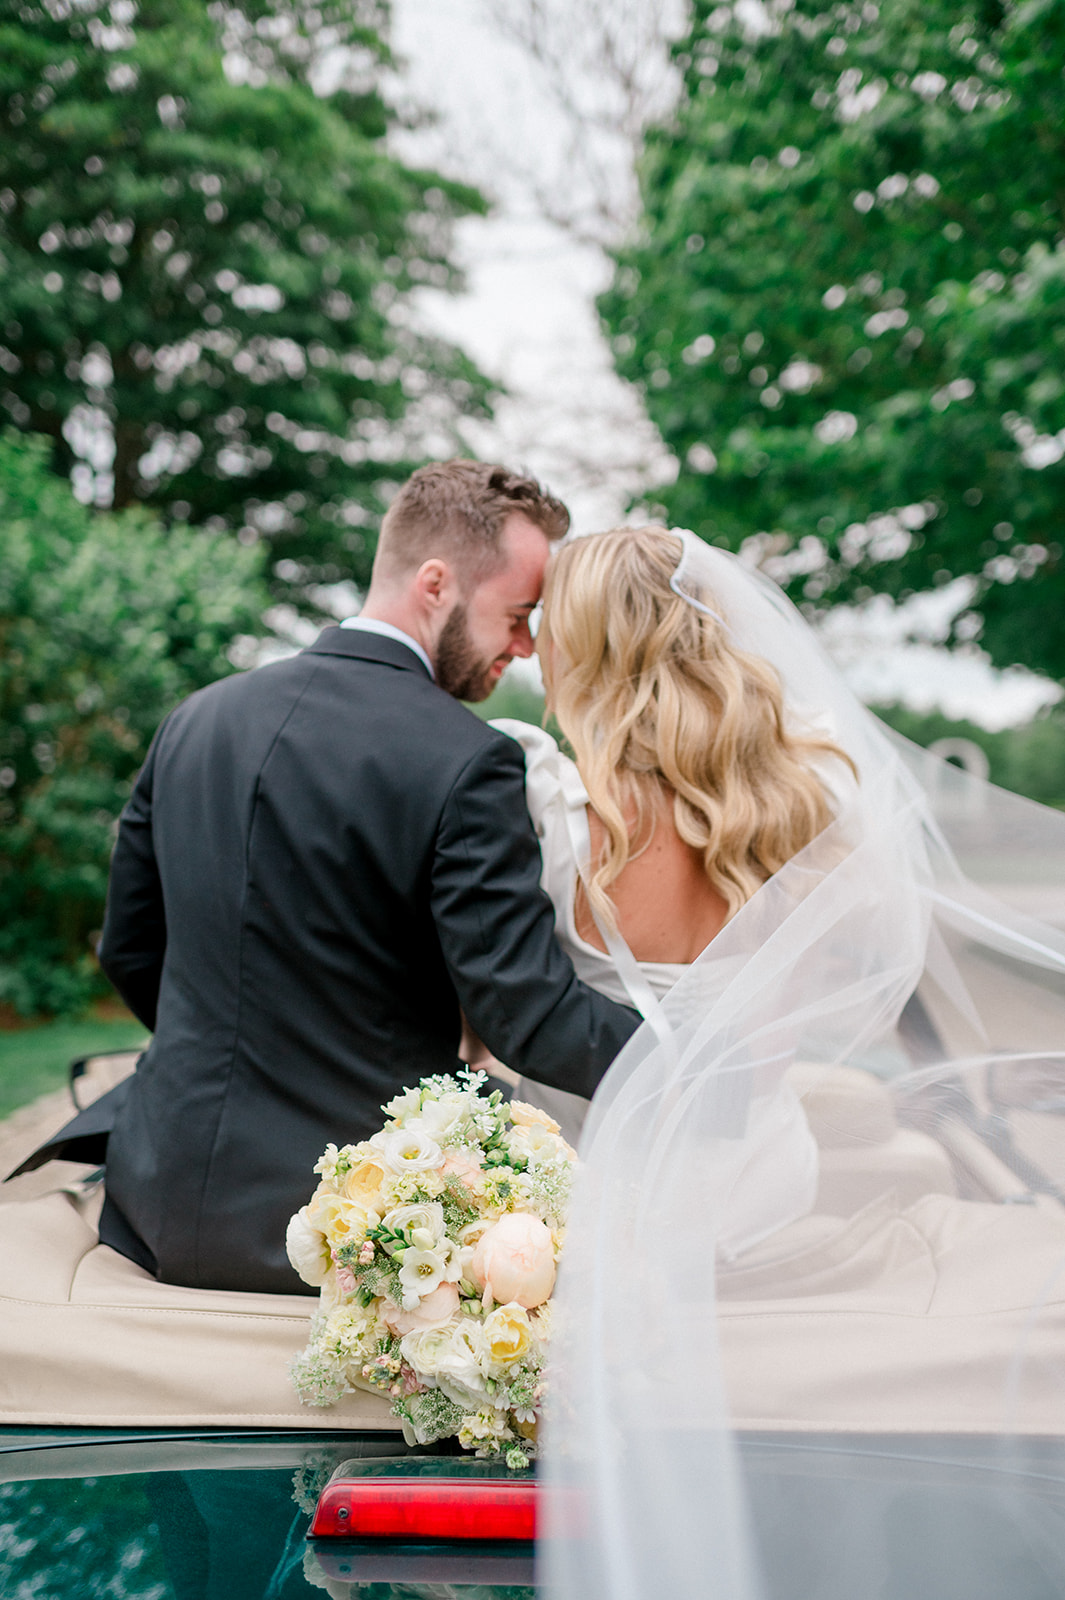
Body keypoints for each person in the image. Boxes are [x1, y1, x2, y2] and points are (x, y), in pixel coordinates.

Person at [525, 528, 1065, 1600]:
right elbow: (850, 981)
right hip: (762, 1176)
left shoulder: (554, 803)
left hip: (597, 1187)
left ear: (581, 642)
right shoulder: (810, 785)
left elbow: (507, 1013)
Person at [15, 460, 639, 1295]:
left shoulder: (195, 720)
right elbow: (524, 1015)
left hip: (156, 1194)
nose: (524, 646)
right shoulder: (468, 759)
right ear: (434, 583)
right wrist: (699, 1058)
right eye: (518, 614)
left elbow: (131, 948)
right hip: (346, 1219)